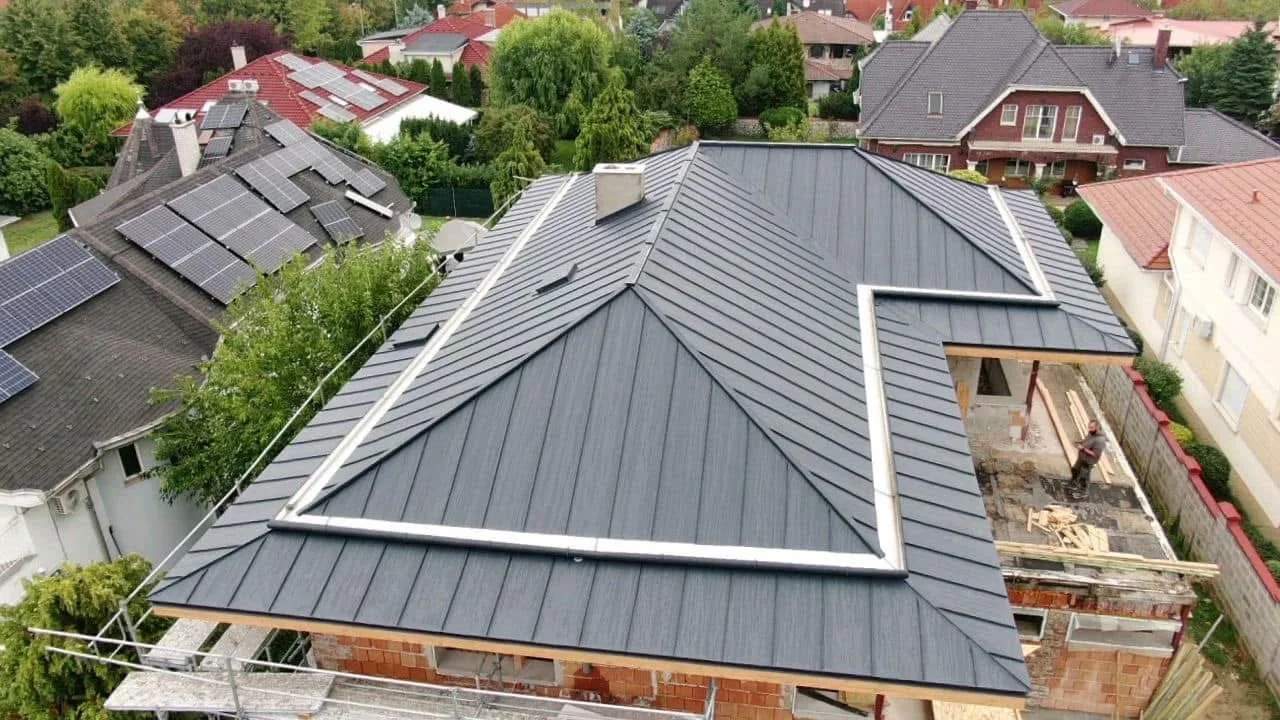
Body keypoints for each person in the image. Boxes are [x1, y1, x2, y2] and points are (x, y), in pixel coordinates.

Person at [1069, 419, 1108, 497]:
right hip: (1082, 458)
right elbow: (1086, 440)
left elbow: (1095, 454)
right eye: (1089, 427)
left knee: (1084, 478)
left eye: (1091, 427)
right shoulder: (1091, 433)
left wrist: (1083, 449)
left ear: (1097, 427)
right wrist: (1080, 442)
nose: (1089, 429)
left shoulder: (1100, 441)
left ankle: (1083, 492)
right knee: (1075, 470)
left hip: (1088, 461)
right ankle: (1074, 484)